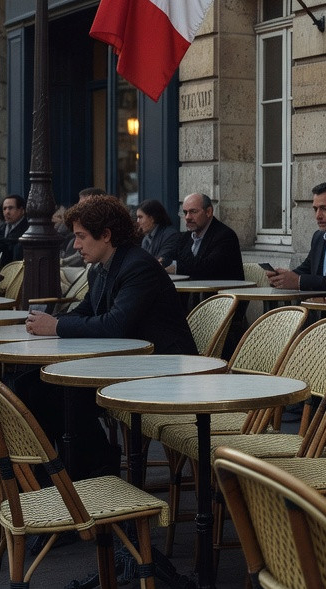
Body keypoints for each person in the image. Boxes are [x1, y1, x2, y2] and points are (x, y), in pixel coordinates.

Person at [25, 195, 197, 476]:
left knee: (60, 390)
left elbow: (115, 325)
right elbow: (85, 312)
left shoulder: (137, 266)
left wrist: (55, 327)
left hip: (166, 371)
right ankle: (60, 470)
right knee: (33, 382)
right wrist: (48, 322)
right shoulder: (101, 269)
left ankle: (90, 470)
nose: (76, 245)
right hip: (130, 363)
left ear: (105, 235)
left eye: (81, 237)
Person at [168, 193, 244, 280]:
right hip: (191, 291)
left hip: (218, 292)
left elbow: (207, 268)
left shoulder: (225, 236)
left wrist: (176, 267)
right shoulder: (185, 237)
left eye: (193, 212)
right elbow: (171, 257)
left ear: (208, 212)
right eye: (185, 212)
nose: (187, 217)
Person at [0, 194, 28, 267]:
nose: (7, 212)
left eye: (10, 208)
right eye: (4, 208)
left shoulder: (27, 230)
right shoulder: (0, 230)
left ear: (22, 210)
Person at [136, 198, 181, 268]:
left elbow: (162, 261)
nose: (138, 221)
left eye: (140, 217)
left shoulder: (170, 235)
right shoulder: (145, 239)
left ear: (152, 219)